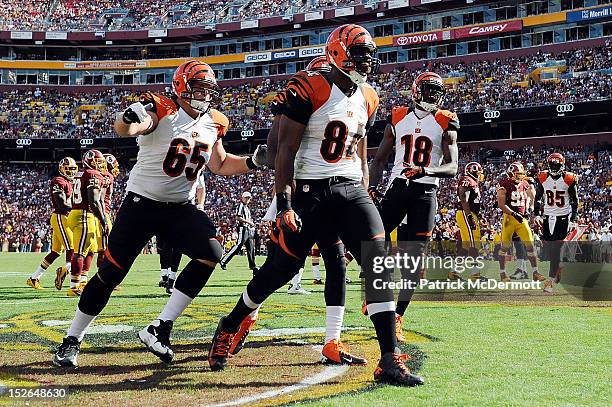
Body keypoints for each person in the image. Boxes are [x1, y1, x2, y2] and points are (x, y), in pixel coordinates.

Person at [207, 25, 423, 386]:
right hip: (310, 191)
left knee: (378, 262)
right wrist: (284, 202)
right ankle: (231, 322)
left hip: (349, 187)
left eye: (370, 53)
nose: (367, 60)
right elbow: (285, 152)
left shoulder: (369, 95)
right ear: (339, 52)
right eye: (359, 52)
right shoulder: (311, 85)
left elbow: (360, 152)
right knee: (281, 268)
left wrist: (365, 190)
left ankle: (388, 359)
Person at [53, 60, 267, 367]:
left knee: (210, 251)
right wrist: (127, 119)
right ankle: (72, 339)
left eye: (209, 89)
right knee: (111, 273)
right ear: (181, 87)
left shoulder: (215, 121)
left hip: (180, 207)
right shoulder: (162, 108)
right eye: (199, 88)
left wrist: (252, 162)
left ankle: (159, 327)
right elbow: (130, 127)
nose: (205, 94)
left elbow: (219, 164)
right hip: (142, 204)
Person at [368, 71, 459, 343]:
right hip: (398, 187)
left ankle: (397, 315)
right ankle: (377, 296)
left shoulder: (446, 120)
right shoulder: (397, 117)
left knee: (414, 262)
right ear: (417, 91)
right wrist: (373, 186)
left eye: (436, 92)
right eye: (429, 91)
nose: (433, 96)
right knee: (372, 241)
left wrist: (425, 170)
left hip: (426, 190)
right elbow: (380, 159)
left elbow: (452, 167)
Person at [27, 157, 78, 290]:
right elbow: (61, 205)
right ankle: (70, 276)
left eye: (73, 169)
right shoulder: (58, 181)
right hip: (62, 217)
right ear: (62, 169)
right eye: (69, 169)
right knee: (72, 248)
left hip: (67, 218)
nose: (71, 172)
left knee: (55, 251)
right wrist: (78, 207)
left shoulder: (71, 182)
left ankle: (34, 278)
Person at [65, 150, 108, 296]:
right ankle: (74, 287)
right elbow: (94, 201)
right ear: (89, 161)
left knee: (92, 249)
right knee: (80, 252)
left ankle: (82, 281)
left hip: (76, 213)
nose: (100, 164)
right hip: (84, 215)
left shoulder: (80, 174)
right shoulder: (93, 175)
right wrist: (103, 221)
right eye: (98, 161)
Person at [534, 153, 579, 293]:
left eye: (556, 165)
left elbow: (575, 201)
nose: (554, 167)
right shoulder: (543, 177)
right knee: (549, 250)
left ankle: (550, 282)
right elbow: (538, 198)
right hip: (547, 216)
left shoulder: (569, 178)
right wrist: (536, 214)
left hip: (562, 217)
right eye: (552, 164)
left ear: (562, 165)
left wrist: (573, 219)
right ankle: (559, 268)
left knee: (555, 250)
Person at [496, 162, 546, 282]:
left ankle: (535, 273)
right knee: (505, 247)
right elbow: (501, 205)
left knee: (530, 245)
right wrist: (514, 214)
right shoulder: (504, 184)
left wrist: (529, 208)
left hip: (521, 218)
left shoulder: (525, 183)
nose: (520, 176)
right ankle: (503, 273)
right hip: (509, 218)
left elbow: (532, 197)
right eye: (518, 174)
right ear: (511, 173)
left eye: (521, 174)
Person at [219, 191, 258, 273]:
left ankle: (253, 265)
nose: (248, 199)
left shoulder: (246, 207)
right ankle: (223, 261)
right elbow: (237, 217)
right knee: (238, 246)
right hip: (242, 228)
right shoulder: (241, 206)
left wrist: (250, 223)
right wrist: (248, 222)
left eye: (249, 198)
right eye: (246, 198)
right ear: (242, 198)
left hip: (248, 229)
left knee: (250, 248)